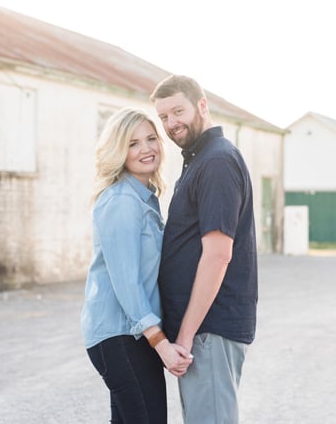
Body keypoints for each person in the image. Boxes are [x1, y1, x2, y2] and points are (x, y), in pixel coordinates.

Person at [150, 75, 258, 424]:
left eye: (177, 111)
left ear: (202, 105)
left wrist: (184, 335)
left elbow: (217, 254)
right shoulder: (200, 160)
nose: (171, 124)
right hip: (201, 331)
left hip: (208, 330)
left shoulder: (216, 162)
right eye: (163, 117)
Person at [81, 108, 193, 424]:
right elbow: (126, 282)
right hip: (118, 335)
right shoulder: (121, 201)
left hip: (136, 334)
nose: (146, 149)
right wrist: (161, 343)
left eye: (150, 138)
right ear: (119, 151)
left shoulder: (145, 198)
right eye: (132, 144)